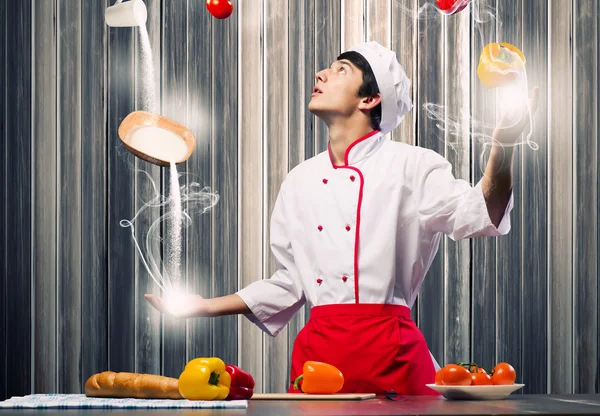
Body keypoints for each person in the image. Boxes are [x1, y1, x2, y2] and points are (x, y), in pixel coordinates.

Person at [146, 41, 539, 395]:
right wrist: (204, 307)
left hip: (393, 356)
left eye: (340, 70)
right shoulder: (299, 180)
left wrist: (502, 145)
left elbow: (481, 211)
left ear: (370, 99)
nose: (320, 74)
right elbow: (290, 283)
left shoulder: (414, 165)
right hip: (319, 361)